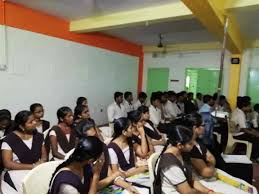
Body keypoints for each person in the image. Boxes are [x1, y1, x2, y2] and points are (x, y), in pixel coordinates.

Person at [154, 124, 223, 194]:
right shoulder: (170, 164)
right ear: (180, 145)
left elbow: (192, 180)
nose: (194, 145)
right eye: (190, 143)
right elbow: (187, 192)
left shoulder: (183, 153)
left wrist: (209, 192)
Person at [1, 110, 47, 193]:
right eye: (30, 122)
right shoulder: (9, 140)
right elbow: (7, 163)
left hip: (36, 170)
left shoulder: (38, 136)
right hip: (16, 173)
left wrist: (42, 162)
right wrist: (32, 166)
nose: (34, 123)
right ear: (21, 126)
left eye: (34, 120)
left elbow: (44, 155)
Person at [108, 117, 150, 194]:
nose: (133, 130)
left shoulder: (129, 139)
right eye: (130, 128)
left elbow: (143, 154)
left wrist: (142, 133)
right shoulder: (112, 149)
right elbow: (117, 175)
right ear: (124, 132)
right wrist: (138, 170)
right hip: (126, 180)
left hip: (135, 174)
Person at [231, 97, 259, 161]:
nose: (250, 108)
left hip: (235, 132)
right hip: (238, 134)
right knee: (256, 138)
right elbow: (243, 129)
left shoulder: (236, 110)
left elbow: (243, 127)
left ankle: (249, 153)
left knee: (254, 134)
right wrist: (254, 133)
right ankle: (255, 156)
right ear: (244, 107)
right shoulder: (240, 114)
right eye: (249, 106)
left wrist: (253, 131)